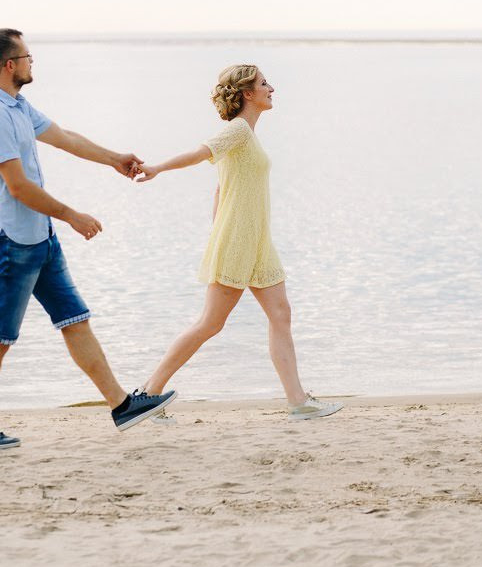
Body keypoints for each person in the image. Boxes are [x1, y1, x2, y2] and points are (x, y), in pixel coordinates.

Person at [0, 28, 176, 449]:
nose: (32, 62)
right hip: (13, 242)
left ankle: (122, 405)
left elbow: (66, 138)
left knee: (74, 319)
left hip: (40, 237)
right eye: (27, 56)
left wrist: (114, 159)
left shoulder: (17, 106)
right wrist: (72, 215)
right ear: (10, 65)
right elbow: (17, 187)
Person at [136, 64, 343, 422]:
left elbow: (220, 188)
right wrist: (156, 168)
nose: (271, 88)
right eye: (264, 83)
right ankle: (148, 395)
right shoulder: (238, 131)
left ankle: (298, 401)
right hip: (238, 240)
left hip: (258, 242)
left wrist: (218, 230)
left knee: (281, 314)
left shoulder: (248, 135)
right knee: (210, 323)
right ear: (248, 93)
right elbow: (199, 153)